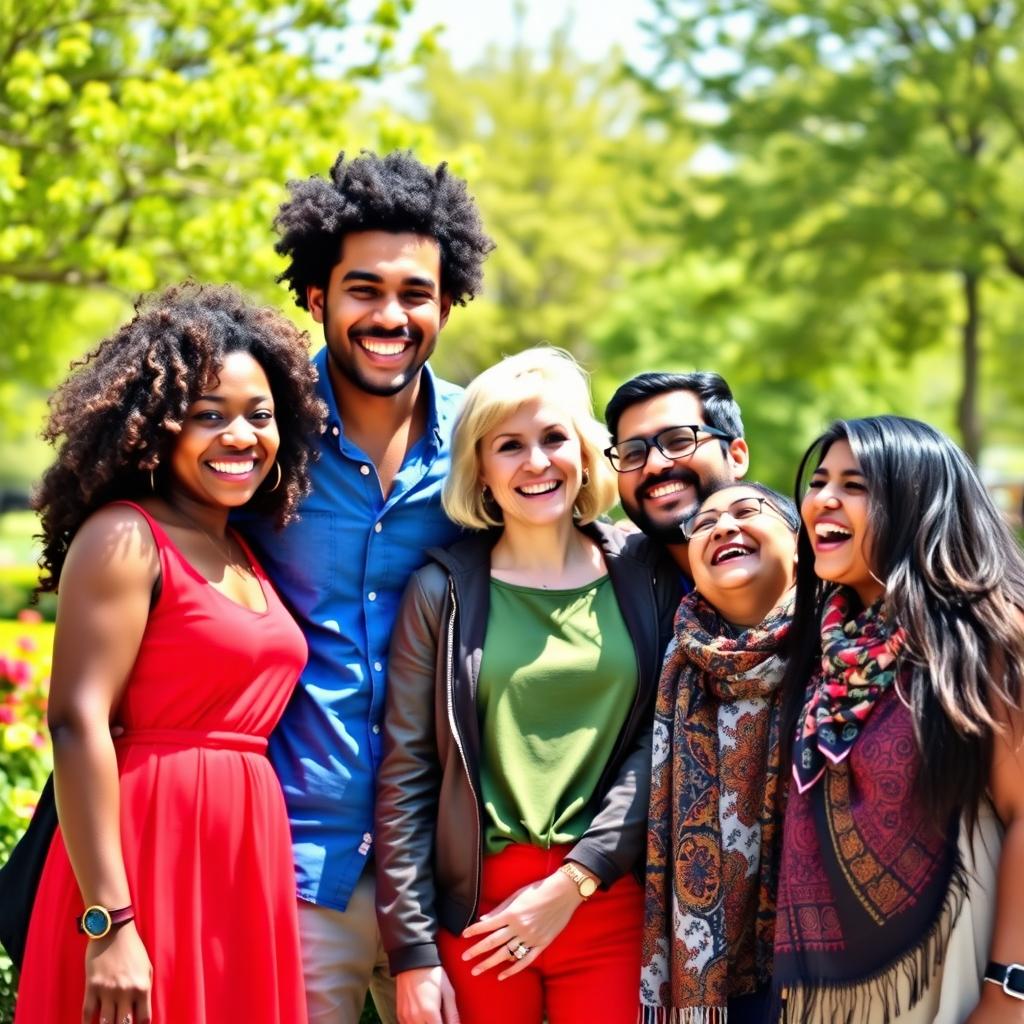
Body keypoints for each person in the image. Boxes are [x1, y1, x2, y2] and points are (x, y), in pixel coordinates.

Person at [16, 283, 325, 1024]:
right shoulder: (126, 537)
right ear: (157, 428)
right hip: (141, 855)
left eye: (259, 416)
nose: (240, 436)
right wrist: (110, 925)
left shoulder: (241, 547)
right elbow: (75, 721)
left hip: (241, 860)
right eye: (207, 416)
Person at [239, 150, 494, 1023]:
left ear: (448, 303)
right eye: (363, 290)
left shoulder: (488, 443)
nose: (391, 315)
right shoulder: (258, 435)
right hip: (296, 858)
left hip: (457, 866)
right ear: (316, 298)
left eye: (416, 293)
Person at [374, 347, 679, 1024]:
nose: (536, 463)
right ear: (480, 470)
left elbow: (665, 740)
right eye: (509, 446)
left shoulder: (645, 573)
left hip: (607, 898)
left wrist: (576, 880)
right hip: (477, 913)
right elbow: (408, 775)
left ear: (586, 451)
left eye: (553, 439)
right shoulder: (440, 592)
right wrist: (413, 954)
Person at [774, 415, 1024, 1023]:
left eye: (856, 485)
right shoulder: (822, 643)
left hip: (958, 955)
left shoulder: (985, 637)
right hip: (829, 991)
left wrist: (1008, 993)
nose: (823, 499)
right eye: (820, 481)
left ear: (917, 503)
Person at [640, 481, 799, 1024]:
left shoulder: (847, 647)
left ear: (801, 544)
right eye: (704, 524)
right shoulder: (669, 660)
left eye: (746, 511)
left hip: (829, 961)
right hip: (710, 981)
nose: (723, 527)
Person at [603, 372, 750, 583]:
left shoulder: (806, 561)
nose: (654, 464)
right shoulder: (616, 585)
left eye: (679, 440)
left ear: (736, 457)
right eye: (633, 453)